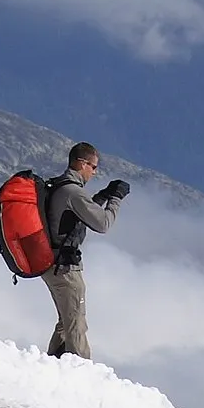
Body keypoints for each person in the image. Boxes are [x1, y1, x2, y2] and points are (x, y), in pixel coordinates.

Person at [42, 141, 128, 359]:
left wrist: (101, 196)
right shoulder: (73, 192)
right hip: (65, 269)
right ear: (81, 163)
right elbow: (103, 224)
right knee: (76, 323)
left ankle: (52, 363)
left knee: (66, 319)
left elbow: (74, 217)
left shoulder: (58, 186)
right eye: (93, 166)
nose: (95, 171)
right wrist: (116, 199)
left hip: (50, 263)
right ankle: (80, 373)